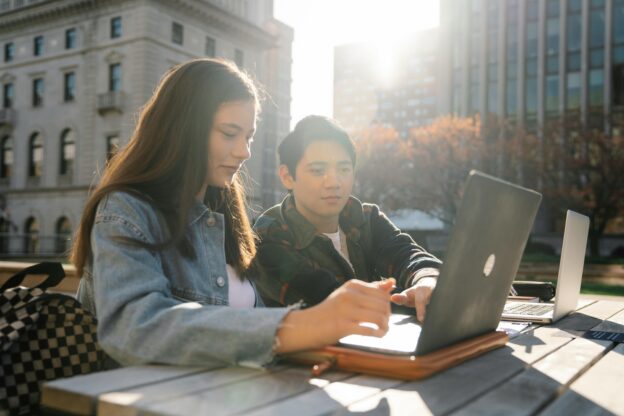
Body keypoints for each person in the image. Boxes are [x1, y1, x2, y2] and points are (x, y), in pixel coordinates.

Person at [71, 59, 394, 368]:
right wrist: (302, 326)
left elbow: (244, 333)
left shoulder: (227, 217)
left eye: (249, 136)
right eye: (229, 133)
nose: (244, 151)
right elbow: (134, 328)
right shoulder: (127, 210)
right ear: (182, 128)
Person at [254, 115, 442, 322]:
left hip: (375, 345)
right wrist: (409, 297)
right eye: (318, 171)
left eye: (343, 169)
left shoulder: (365, 218)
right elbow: (332, 301)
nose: (334, 182)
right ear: (287, 177)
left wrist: (427, 279)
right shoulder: (268, 235)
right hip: (310, 353)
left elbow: (406, 253)